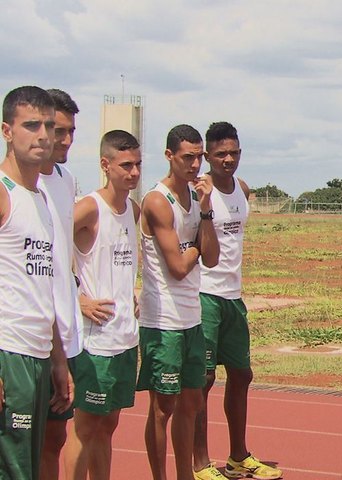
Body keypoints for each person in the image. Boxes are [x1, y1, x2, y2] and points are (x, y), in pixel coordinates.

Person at [192, 122, 282, 480]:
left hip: (233, 296)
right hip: (205, 295)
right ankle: (200, 462)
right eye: (220, 154)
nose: (228, 159)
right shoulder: (200, 190)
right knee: (203, 379)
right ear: (207, 156)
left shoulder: (242, 190)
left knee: (242, 374)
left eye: (234, 152)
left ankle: (238, 457)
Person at [137, 124, 219, 480]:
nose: (196, 164)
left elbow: (212, 258)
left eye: (199, 156)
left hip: (192, 317)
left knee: (191, 402)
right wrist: (197, 248)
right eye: (188, 157)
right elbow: (178, 267)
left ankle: (185, 474)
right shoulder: (158, 201)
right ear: (170, 155)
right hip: (163, 320)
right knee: (162, 407)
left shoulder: (196, 197)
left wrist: (205, 210)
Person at [0, 86, 72, 480]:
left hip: (39, 355)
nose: (43, 135)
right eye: (31, 125)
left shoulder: (40, 199)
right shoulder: (3, 192)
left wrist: (58, 360)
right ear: (7, 131)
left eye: (49, 125)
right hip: (8, 353)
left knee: (29, 466)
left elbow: (43, 288)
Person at [66, 130, 142, 479]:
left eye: (138, 165)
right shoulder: (88, 208)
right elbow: (48, 250)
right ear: (105, 164)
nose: (134, 173)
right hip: (95, 343)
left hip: (126, 338)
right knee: (85, 428)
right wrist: (76, 298)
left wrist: (131, 292)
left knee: (109, 425)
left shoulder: (133, 209)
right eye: (126, 165)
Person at [37, 88, 85, 480]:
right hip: (25, 332)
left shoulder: (66, 180)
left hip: (65, 333)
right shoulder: (14, 183)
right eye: (59, 130)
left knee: (56, 436)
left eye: (71, 131)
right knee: (19, 442)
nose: (66, 140)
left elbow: (63, 254)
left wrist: (77, 297)